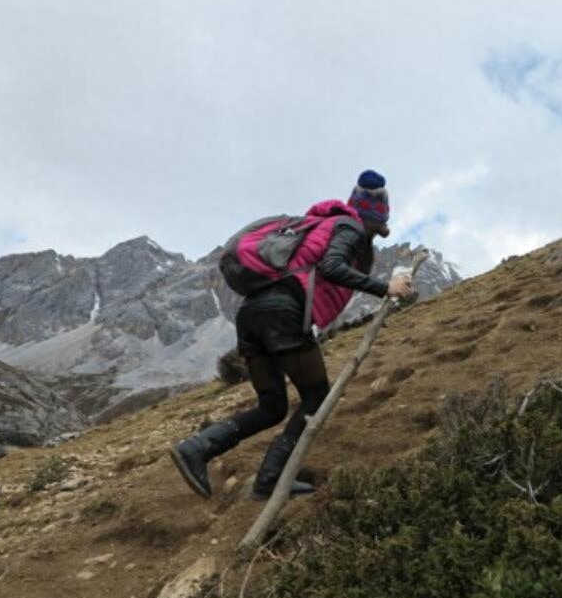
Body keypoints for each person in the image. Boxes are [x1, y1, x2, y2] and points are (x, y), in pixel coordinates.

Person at [168, 170, 414, 500]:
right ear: (376, 215)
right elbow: (332, 266)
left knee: (272, 406)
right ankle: (270, 478)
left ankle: (197, 448)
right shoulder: (350, 225)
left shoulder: (322, 224)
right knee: (316, 396)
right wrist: (386, 287)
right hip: (283, 312)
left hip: (252, 312)